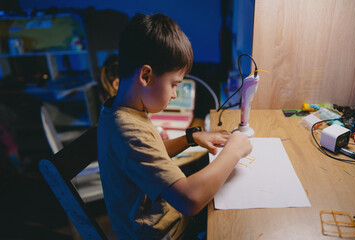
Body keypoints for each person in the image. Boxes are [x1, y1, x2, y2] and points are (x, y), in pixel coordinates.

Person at [97, 13, 252, 239]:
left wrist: (190, 139)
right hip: (164, 234)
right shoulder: (128, 130)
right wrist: (234, 151)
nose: (175, 94)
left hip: (169, 219)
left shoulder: (120, 111)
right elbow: (189, 200)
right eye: (173, 84)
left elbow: (148, 156)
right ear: (146, 75)